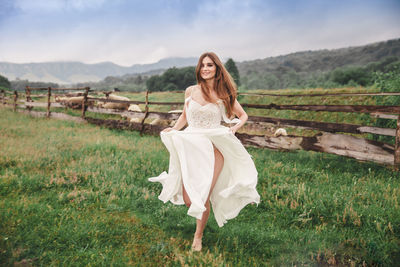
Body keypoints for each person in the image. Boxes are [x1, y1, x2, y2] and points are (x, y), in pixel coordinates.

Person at [149, 52, 260, 251]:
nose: (205, 68)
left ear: (217, 68)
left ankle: (197, 237)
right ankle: (198, 221)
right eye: (202, 65)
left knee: (203, 193)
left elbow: (243, 115)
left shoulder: (224, 93)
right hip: (190, 143)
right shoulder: (190, 91)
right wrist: (174, 129)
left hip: (214, 145)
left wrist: (234, 128)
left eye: (210, 65)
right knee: (189, 197)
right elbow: (185, 116)